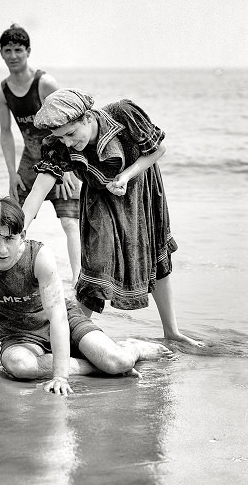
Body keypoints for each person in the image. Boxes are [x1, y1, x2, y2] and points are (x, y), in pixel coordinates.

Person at [0, 197, 172, 396]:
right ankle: (94, 365)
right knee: (18, 366)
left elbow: (58, 318)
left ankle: (132, 349)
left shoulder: (39, 257)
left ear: (22, 235)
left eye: (9, 238)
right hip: (19, 337)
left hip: (65, 322)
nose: (2, 249)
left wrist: (60, 377)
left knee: (118, 362)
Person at [20, 89, 200, 347]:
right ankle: (67, 339)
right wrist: (20, 232)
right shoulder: (58, 145)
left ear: (87, 118)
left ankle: (171, 331)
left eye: (71, 134)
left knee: (157, 256)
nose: (68, 143)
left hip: (141, 190)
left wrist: (126, 176)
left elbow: (158, 149)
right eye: (62, 138)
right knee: (96, 264)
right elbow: (38, 191)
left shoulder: (123, 113)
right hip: (99, 198)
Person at [0, 25, 81, 282]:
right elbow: (6, 132)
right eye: (7, 50)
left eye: (18, 50)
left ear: (28, 51)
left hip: (60, 159)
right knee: (14, 222)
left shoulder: (44, 83)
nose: (13, 56)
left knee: (69, 223)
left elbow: (65, 124)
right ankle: (12, 276)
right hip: (30, 161)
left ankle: (78, 282)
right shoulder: (2, 91)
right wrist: (12, 174)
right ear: (1, 53)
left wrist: (65, 169)